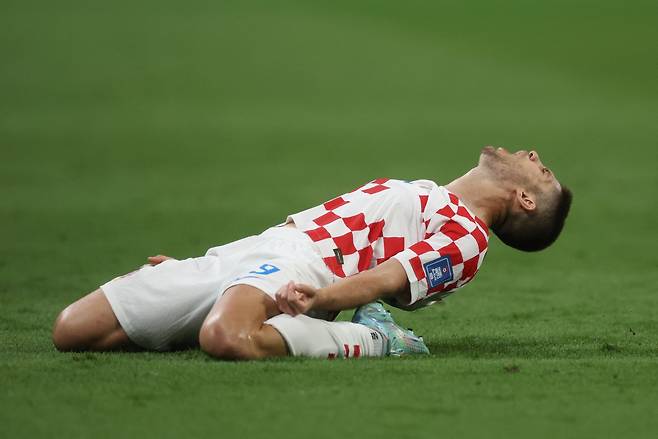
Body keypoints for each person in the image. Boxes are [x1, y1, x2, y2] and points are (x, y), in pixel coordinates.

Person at [52, 147, 572, 360]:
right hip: (256, 251)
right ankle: (224, 299)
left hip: (308, 270)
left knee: (225, 337)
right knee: (75, 331)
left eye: (541, 169)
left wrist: (323, 296)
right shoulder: (429, 192)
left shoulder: (468, 237)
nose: (531, 155)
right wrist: (203, 269)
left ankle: (375, 338)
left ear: (524, 200)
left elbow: (393, 278)